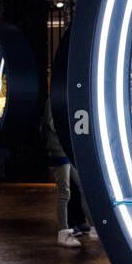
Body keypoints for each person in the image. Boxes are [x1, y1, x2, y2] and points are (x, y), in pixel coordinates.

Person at [42, 97, 96, 248]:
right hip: (59, 150)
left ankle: (93, 227)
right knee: (64, 192)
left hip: (67, 150)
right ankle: (64, 232)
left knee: (81, 187)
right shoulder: (53, 102)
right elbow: (52, 124)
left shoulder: (61, 100)